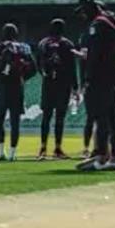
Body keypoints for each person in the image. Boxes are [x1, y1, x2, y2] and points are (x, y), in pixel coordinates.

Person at [76, 0, 115, 172]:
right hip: (112, 74)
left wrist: (87, 76)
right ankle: (114, 158)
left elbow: (95, 54)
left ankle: (101, 157)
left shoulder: (98, 25)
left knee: (101, 117)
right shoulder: (112, 20)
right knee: (112, 117)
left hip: (99, 77)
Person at [0, 23, 33, 162]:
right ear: (16, 34)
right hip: (17, 87)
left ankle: (1, 152)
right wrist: (22, 78)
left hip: (2, 87)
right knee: (15, 122)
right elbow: (34, 68)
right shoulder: (24, 48)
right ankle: (13, 153)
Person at [36, 18, 79, 160]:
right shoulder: (67, 44)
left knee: (46, 117)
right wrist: (75, 87)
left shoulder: (43, 43)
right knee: (60, 118)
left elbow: (38, 64)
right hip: (63, 85)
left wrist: (45, 74)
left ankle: (42, 148)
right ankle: (58, 148)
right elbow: (72, 67)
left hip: (48, 84)